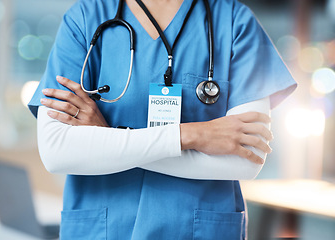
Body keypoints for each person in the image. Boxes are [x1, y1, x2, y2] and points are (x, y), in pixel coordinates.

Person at [28, 0, 297, 239]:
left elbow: (245, 160)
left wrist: (110, 138)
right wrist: (191, 135)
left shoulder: (234, 20)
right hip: (102, 228)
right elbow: (57, 152)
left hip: (198, 229)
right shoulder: (86, 17)